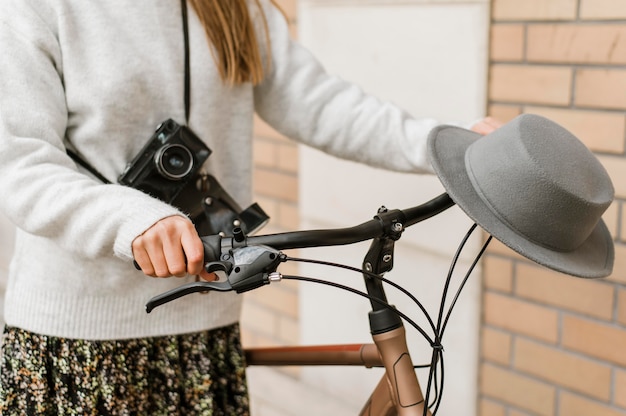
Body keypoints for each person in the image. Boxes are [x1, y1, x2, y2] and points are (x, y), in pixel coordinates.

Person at [0, 0, 499, 414]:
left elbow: (325, 105)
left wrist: (444, 144)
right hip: (75, 337)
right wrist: (131, 218)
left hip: (202, 336)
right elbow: (21, 164)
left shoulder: (232, 7)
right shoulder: (38, 7)